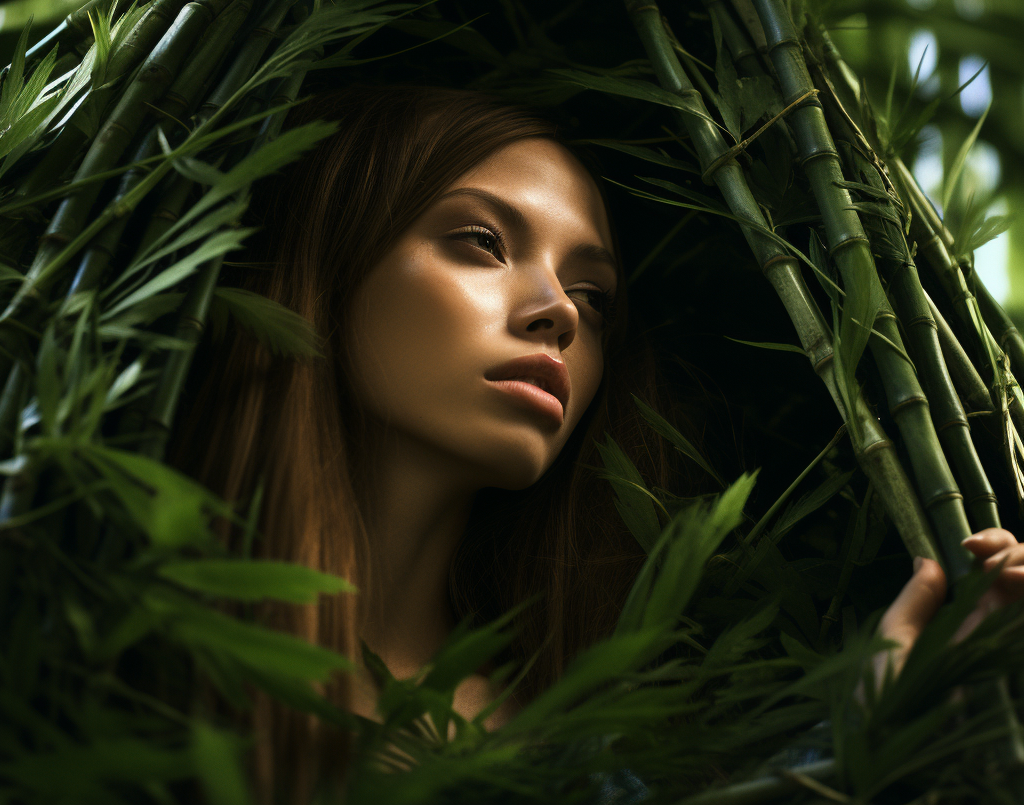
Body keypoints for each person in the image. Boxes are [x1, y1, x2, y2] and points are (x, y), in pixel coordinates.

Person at [177, 84, 1024, 802]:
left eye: (595, 293)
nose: (562, 311)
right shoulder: (140, 634)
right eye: (482, 242)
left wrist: (864, 729)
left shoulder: (584, 751)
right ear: (332, 264)